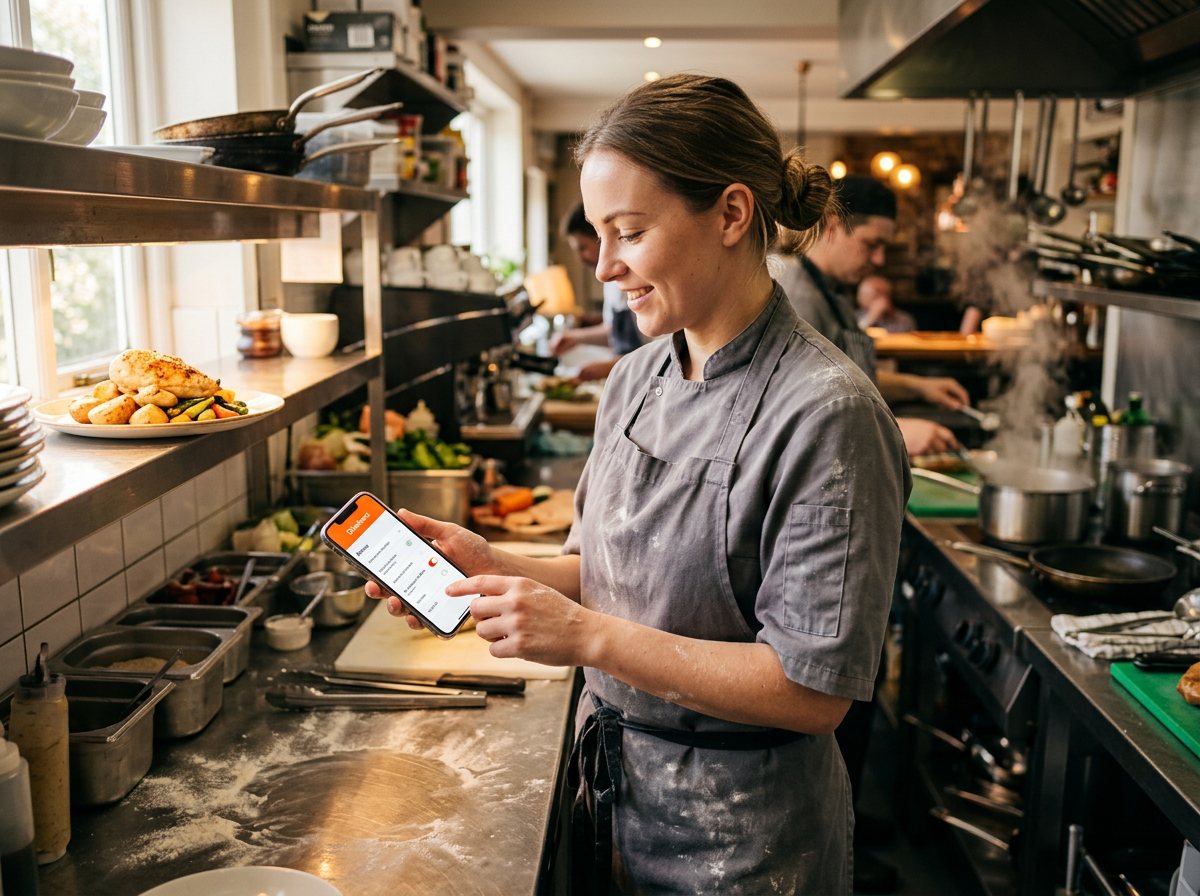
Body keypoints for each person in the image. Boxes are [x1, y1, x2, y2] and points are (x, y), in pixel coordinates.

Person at [367, 73, 909, 895]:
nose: (605, 267)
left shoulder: (828, 413)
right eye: (598, 234)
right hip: (613, 803)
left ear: (731, 214)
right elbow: (606, 572)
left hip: (747, 841)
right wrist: (493, 566)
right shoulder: (633, 379)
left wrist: (588, 639)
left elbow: (811, 691)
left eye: (629, 232)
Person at [776, 174, 969, 457]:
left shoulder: (834, 292)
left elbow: (850, 380)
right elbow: (800, 411)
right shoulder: (797, 298)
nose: (880, 259)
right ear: (833, 227)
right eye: (871, 244)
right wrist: (893, 432)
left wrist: (918, 387)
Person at [549, 203, 646, 381]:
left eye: (582, 248)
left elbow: (659, 347)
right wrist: (574, 338)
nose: (580, 260)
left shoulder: (638, 278)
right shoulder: (609, 283)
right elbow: (614, 331)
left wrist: (611, 367)